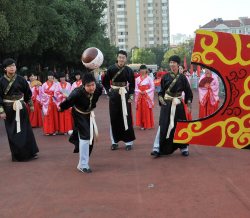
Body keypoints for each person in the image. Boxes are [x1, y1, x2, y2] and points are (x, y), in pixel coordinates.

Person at [59, 73, 103, 173]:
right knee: (85, 136)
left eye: (93, 85)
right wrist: (61, 107)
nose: (92, 88)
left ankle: (83, 162)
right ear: (83, 86)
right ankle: (83, 165)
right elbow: (68, 101)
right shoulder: (77, 93)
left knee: (90, 138)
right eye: (88, 86)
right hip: (78, 114)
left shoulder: (98, 89)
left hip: (89, 114)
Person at [151, 55, 193, 157]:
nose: (172, 64)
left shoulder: (183, 78)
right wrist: (162, 101)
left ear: (178, 65)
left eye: (174, 62)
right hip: (167, 104)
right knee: (163, 125)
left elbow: (188, 92)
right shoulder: (165, 77)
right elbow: (161, 92)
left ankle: (184, 148)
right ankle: (156, 148)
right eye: (170, 62)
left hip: (178, 104)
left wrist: (188, 104)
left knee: (180, 125)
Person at [0, 58, 39, 161]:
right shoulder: (1, 81)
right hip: (8, 109)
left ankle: (30, 153)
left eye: (13, 66)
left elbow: (27, 94)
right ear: (5, 69)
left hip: (21, 107)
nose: (12, 68)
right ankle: (17, 155)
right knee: (12, 132)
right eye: (9, 66)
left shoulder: (21, 79)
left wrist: (30, 105)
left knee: (25, 130)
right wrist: (1, 111)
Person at [103, 50, 136, 151]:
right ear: (117, 58)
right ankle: (114, 142)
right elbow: (105, 82)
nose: (121, 59)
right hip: (114, 95)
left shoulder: (129, 70)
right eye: (120, 57)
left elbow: (132, 85)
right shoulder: (111, 69)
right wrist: (109, 93)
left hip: (125, 95)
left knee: (127, 117)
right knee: (114, 118)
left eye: (123, 57)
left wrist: (130, 97)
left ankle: (129, 142)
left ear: (126, 59)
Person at [135, 64, 155, 130]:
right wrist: (140, 91)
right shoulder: (137, 79)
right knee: (140, 109)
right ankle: (142, 124)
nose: (143, 71)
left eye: (144, 69)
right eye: (141, 69)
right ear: (140, 70)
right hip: (140, 96)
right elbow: (135, 88)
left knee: (147, 109)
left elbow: (152, 87)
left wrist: (146, 91)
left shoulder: (149, 78)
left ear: (146, 70)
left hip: (147, 96)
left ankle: (148, 124)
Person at [40, 71, 59, 135]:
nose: (50, 77)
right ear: (47, 77)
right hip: (47, 102)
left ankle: (53, 131)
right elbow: (41, 93)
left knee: (53, 116)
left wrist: (52, 95)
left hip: (53, 101)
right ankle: (47, 131)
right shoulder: (44, 84)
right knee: (47, 116)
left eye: (51, 75)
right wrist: (48, 96)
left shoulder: (56, 84)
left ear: (53, 77)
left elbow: (57, 92)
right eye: (49, 75)